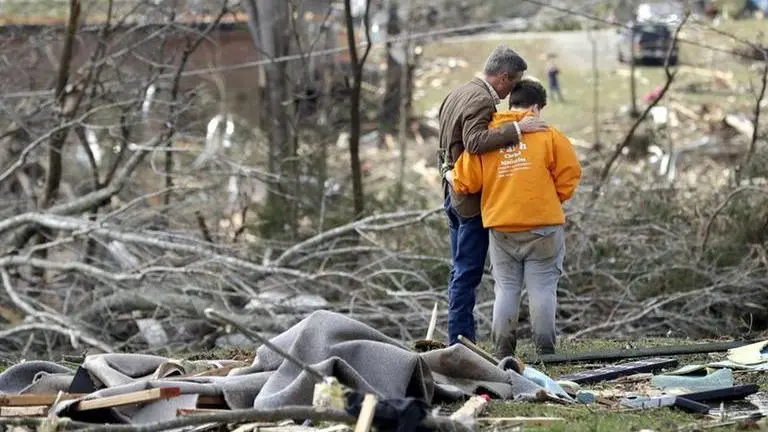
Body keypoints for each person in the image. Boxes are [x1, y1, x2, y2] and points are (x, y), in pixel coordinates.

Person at [445, 79, 582, 356]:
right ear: (534, 108)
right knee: (542, 288)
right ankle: (545, 350)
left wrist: (448, 173)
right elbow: (569, 175)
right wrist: (551, 199)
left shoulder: (490, 136)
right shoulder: (550, 135)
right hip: (544, 226)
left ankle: (503, 351)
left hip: (502, 225)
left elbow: (465, 182)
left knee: (506, 289)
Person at [437, 45, 547, 346]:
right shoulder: (482, 100)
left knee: (459, 268)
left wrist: (447, 173)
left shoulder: (458, 92)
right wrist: (517, 128)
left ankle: (459, 337)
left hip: (452, 191)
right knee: (468, 272)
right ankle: (461, 341)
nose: (510, 93)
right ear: (503, 77)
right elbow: (474, 142)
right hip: (469, 200)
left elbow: (447, 142)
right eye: (512, 84)